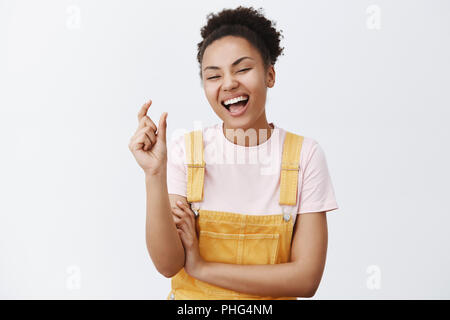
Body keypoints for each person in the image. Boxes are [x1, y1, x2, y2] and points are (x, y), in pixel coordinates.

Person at [128, 6, 338, 300]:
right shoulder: (186, 152)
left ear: (270, 74)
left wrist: (202, 268)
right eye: (213, 76)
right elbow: (167, 264)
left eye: (242, 69)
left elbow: (305, 279)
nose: (228, 83)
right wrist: (154, 174)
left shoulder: (305, 156)